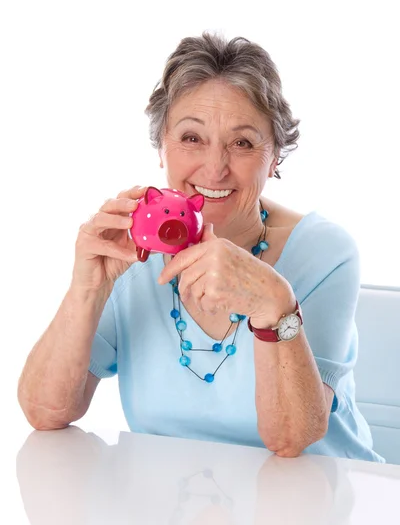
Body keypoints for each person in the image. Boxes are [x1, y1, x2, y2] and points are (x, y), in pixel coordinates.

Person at [17, 32, 383, 462]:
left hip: (318, 499)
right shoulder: (131, 253)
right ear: (162, 146)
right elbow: (46, 411)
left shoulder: (325, 253)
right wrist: (88, 288)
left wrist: (274, 304)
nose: (215, 167)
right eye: (192, 138)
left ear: (276, 157)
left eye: (243, 143)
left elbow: (292, 438)